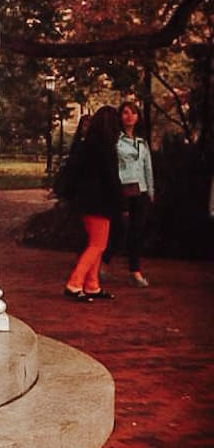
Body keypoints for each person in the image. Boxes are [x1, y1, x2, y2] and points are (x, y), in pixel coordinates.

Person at [63, 104, 123, 302]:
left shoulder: (86, 145)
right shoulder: (107, 148)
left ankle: (92, 284)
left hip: (86, 201)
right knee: (98, 245)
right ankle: (75, 283)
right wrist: (119, 201)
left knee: (95, 244)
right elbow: (111, 179)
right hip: (101, 203)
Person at [104, 100, 155, 287]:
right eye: (125, 112)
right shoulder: (116, 141)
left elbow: (147, 167)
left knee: (137, 231)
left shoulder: (142, 143)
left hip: (140, 191)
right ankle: (104, 262)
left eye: (133, 113)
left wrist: (150, 190)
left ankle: (135, 271)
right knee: (118, 229)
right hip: (122, 190)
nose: (129, 116)